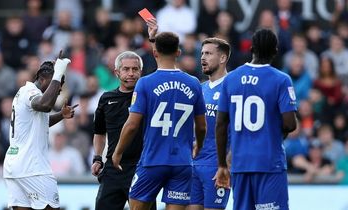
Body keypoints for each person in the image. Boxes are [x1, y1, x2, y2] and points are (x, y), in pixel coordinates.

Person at [112, 18, 207, 210]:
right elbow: (202, 126)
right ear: (179, 53)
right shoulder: (194, 83)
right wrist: (199, 146)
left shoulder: (145, 83)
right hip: (182, 163)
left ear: (155, 52)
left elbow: (131, 125)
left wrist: (117, 152)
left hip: (153, 160)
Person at [215, 29, 297, 210]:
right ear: (276, 51)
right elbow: (290, 124)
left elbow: (221, 124)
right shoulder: (281, 80)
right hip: (269, 163)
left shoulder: (231, 79)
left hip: (239, 163)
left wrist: (222, 163)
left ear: (251, 49)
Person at [3, 51, 78, 210]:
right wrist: (58, 72)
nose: (58, 89)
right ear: (43, 79)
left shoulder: (25, 93)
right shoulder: (30, 92)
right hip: (32, 167)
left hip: (15, 166)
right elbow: (44, 105)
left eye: (61, 84)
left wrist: (61, 115)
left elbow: (39, 123)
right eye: (56, 83)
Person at [91, 51, 156, 210]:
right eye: (126, 69)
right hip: (113, 169)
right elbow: (99, 132)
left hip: (141, 168)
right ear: (117, 72)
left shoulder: (149, 97)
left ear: (141, 71)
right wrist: (98, 158)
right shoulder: (106, 98)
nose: (131, 73)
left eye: (135, 69)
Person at [188, 37, 231, 210]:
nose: (203, 58)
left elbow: (238, 129)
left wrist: (227, 164)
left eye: (208, 53)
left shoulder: (232, 87)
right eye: (202, 53)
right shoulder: (201, 88)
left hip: (216, 166)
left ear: (222, 58)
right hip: (194, 164)